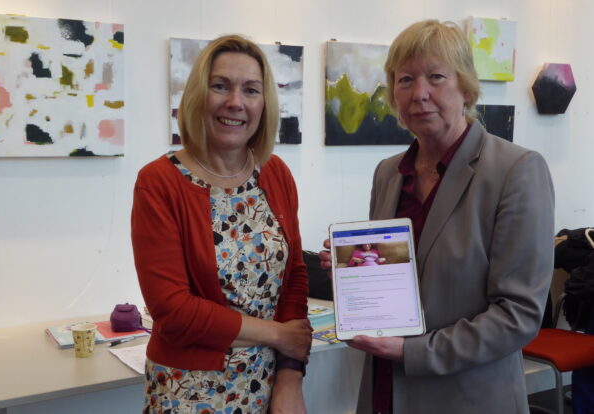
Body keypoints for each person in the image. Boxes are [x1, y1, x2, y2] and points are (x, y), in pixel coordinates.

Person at [319, 20, 555, 413]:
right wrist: (354, 273)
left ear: (465, 87)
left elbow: (518, 315)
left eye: (436, 77)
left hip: (466, 396)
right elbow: (397, 282)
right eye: (405, 79)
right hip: (386, 389)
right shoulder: (389, 172)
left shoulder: (516, 170)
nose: (419, 93)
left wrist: (413, 352)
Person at [131, 35, 311, 414]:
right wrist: (277, 334)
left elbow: (294, 274)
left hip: (267, 384)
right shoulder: (160, 181)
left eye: (251, 90)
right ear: (199, 94)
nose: (235, 102)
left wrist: (290, 379)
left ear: (265, 103)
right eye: (220, 86)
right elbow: (174, 311)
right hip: (188, 392)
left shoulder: (276, 174)